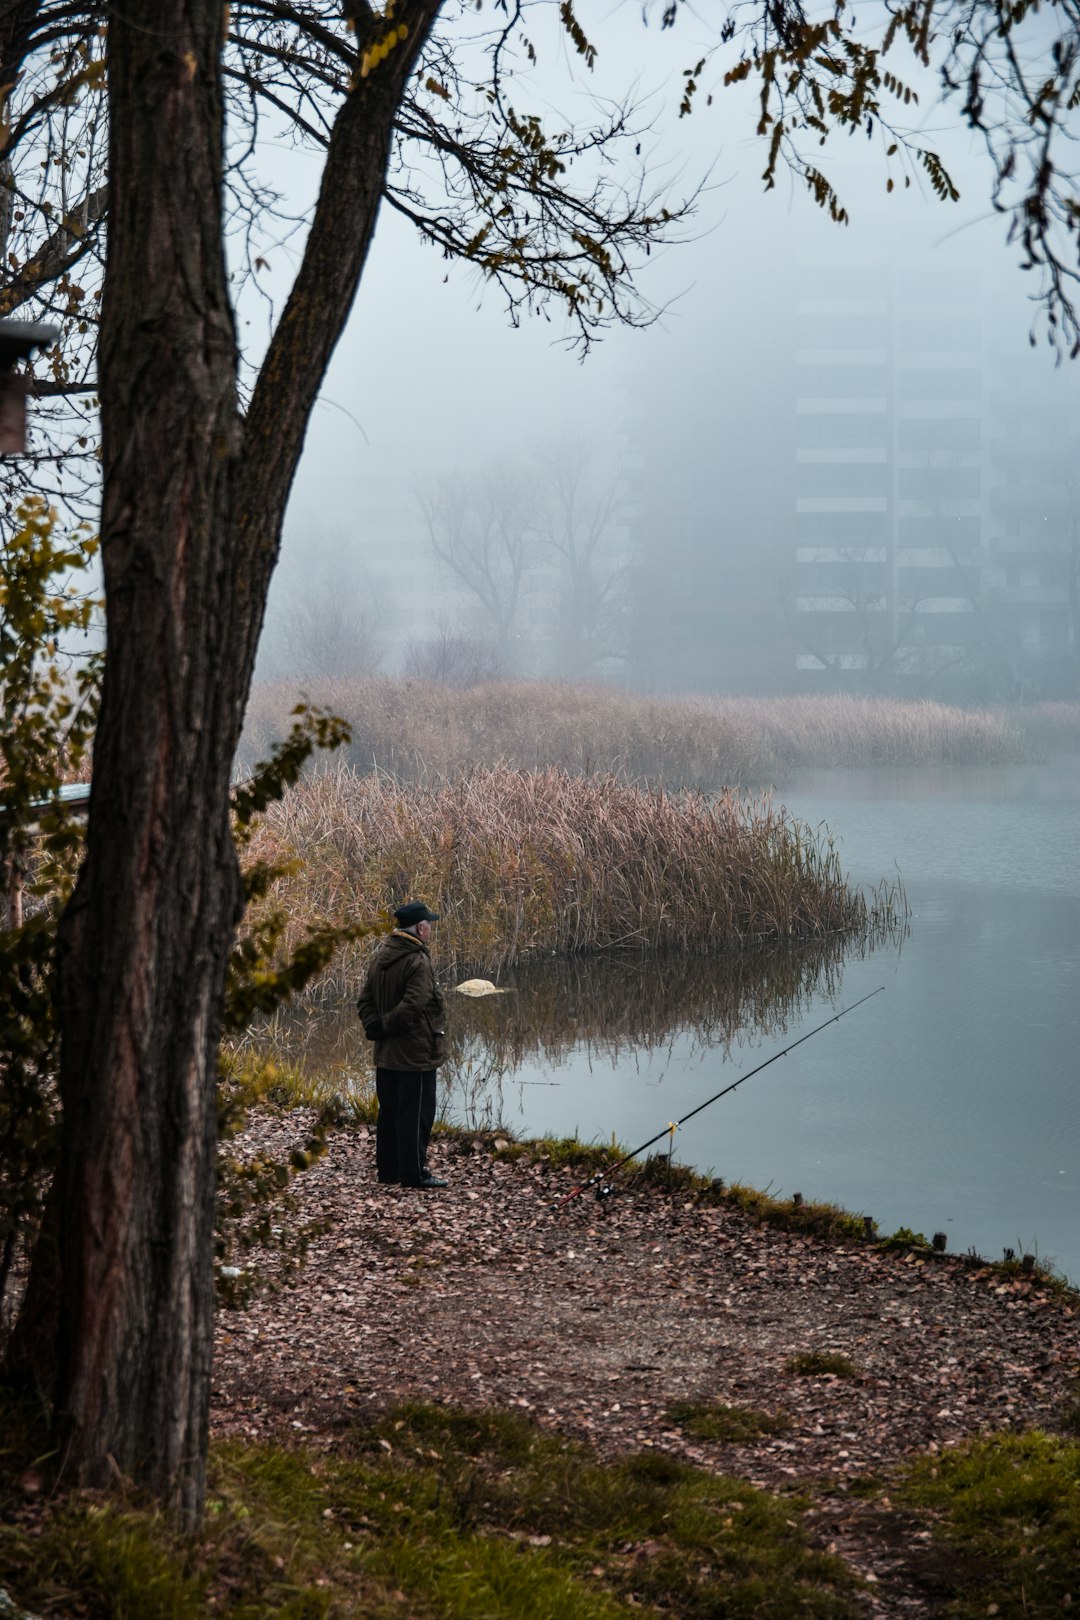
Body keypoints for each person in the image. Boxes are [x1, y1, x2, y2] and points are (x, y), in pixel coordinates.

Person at [357, 900, 448, 1189]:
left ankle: (388, 1170)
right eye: (429, 925)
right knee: (417, 1114)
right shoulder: (417, 960)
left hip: (386, 1055)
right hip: (415, 1055)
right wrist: (383, 1026)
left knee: (390, 1112)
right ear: (420, 928)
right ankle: (413, 1173)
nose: (430, 929)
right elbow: (414, 1005)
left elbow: (364, 1000)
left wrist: (375, 1026)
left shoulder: (382, 955)